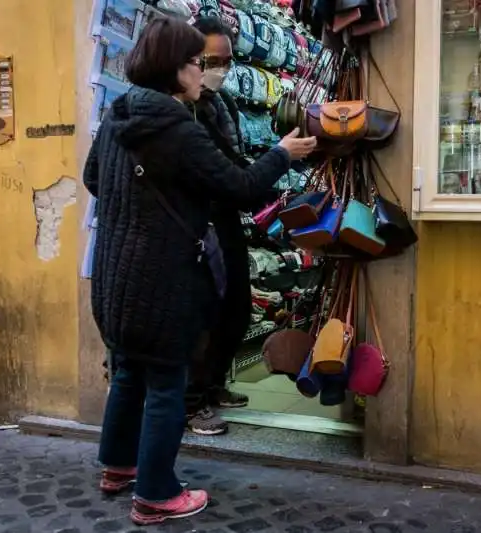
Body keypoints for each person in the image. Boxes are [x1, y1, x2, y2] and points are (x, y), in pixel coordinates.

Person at [83, 16, 316, 526]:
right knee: (167, 381)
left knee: (128, 372)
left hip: (114, 275)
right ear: (176, 68)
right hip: (162, 279)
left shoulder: (119, 113)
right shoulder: (176, 128)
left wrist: (140, 210)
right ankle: (157, 493)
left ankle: (117, 467)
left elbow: (93, 178)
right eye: (198, 62)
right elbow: (239, 186)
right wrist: (282, 154)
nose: (204, 71)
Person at [184, 17, 258, 436]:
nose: (220, 69)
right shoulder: (180, 108)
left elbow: (234, 158)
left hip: (227, 216)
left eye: (227, 61)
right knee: (204, 316)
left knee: (236, 308)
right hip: (198, 223)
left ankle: (212, 386)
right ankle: (193, 403)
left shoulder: (222, 103)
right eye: (213, 60)